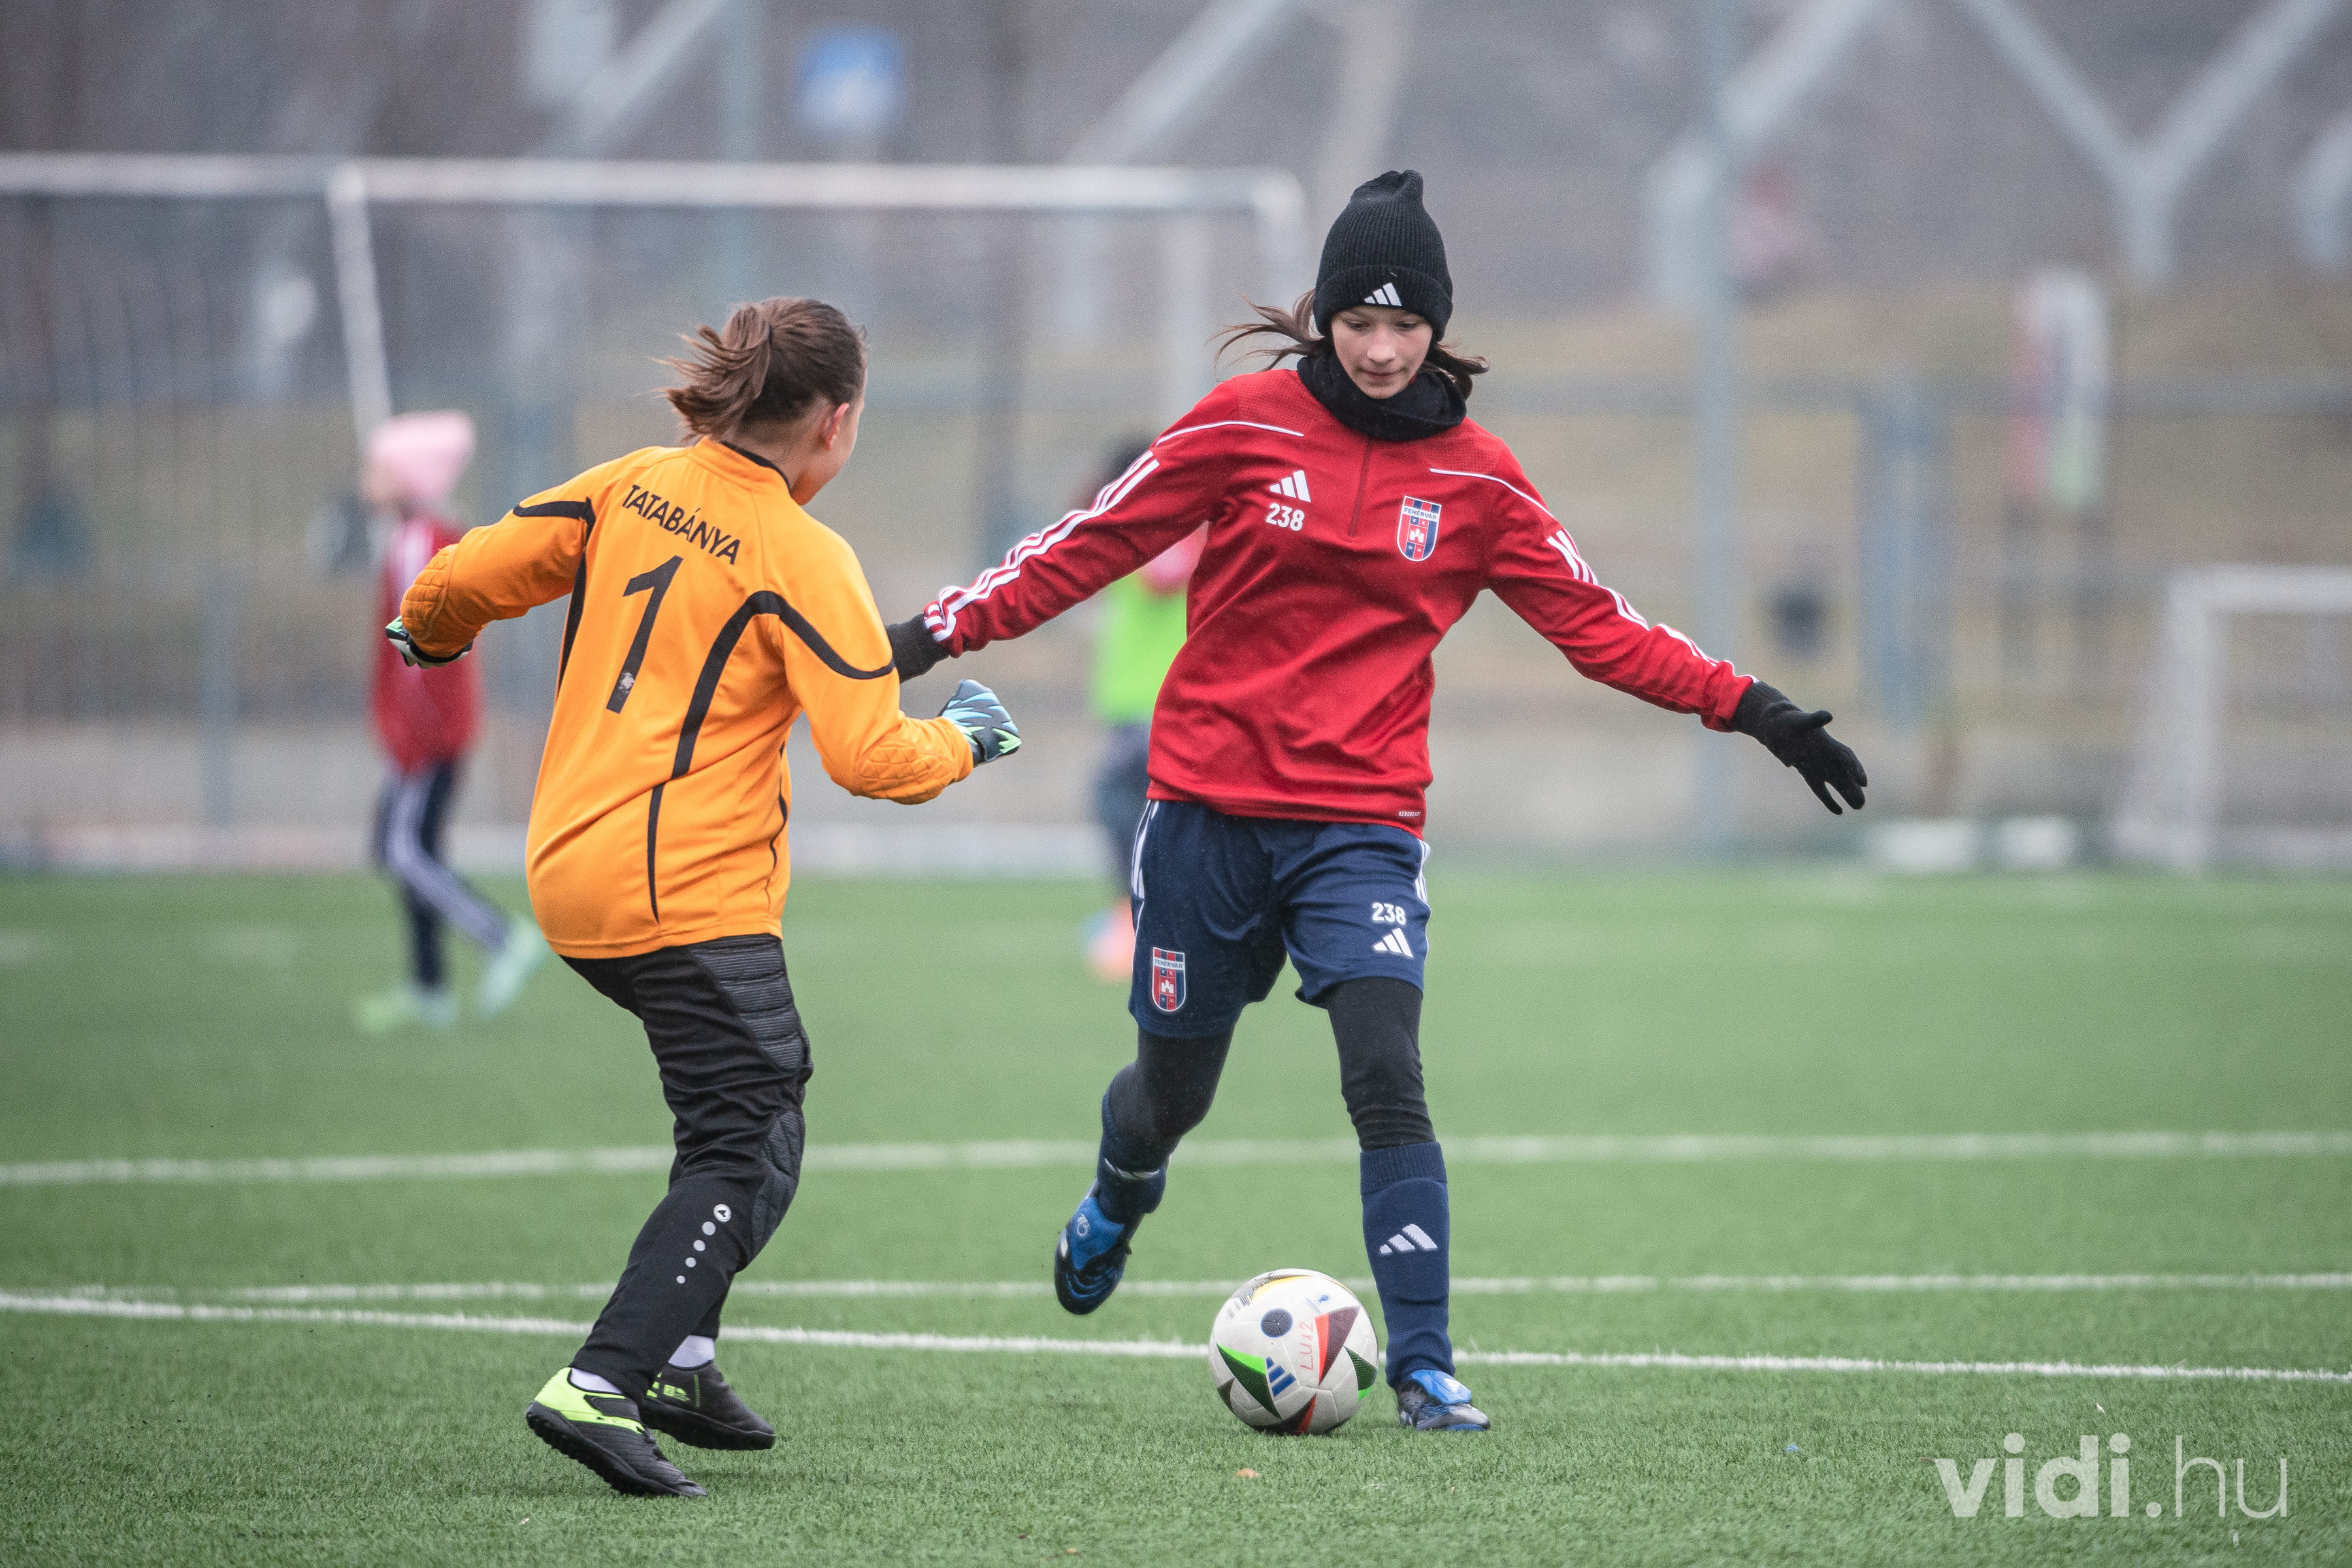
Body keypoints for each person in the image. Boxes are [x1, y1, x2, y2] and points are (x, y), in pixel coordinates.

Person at [885, 172, 1865, 1434]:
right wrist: (928, 635)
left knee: (1387, 1071)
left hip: (1361, 826)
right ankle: (1124, 1187)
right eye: (1360, 322)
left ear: (1439, 326)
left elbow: (1600, 627)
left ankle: (1425, 1365)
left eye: (1407, 325)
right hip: (1205, 814)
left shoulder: (1480, 482)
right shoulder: (1242, 426)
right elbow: (1088, 544)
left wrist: (1758, 710)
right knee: (1172, 1094)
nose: (1384, 348)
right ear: (1325, 316)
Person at [385, 297, 1021, 1497]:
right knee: (750, 1133)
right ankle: (605, 1380)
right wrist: (968, 738)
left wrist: (428, 630)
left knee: (741, 1117)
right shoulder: (803, 553)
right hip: (682, 892)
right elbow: (871, 756)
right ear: (837, 421)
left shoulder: (635, 483)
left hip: (568, 872)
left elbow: (469, 573)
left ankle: (681, 1359)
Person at [355, 410, 546, 1032]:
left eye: (377, 468)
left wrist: (406, 731)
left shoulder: (420, 541)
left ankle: (502, 937)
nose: (365, 479)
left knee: (402, 849)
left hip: (426, 733)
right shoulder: (412, 536)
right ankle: (429, 988)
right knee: (412, 847)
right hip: (425, 729)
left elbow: (418, 651)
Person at [1081, 436, 1203, 981]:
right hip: (1132, 704)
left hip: (1161, 703)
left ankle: (1138, 918)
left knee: (1116, 798)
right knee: (1147, 812)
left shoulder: (1164, 531)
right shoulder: (1125, 532)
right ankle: (1150, 918)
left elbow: (1163, 578)